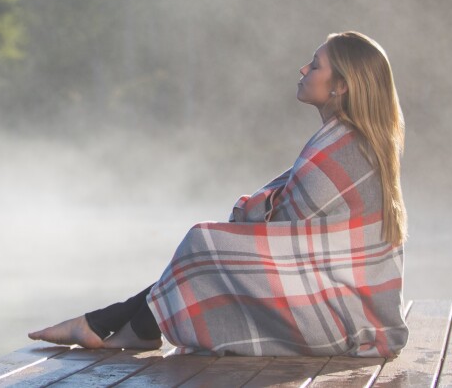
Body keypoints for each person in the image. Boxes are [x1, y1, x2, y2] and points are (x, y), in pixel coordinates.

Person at [29, 31, 409, 357]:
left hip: (348, 317)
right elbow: (286, 223)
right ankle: (118, 323)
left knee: (207, 242)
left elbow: (279, 234)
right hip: (352, 305)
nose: (303, 70)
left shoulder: (343, 148)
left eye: (314, 65)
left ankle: (118, 323)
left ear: (340, 85)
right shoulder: (348, 140)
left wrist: (243, 217)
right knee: (211, 246)